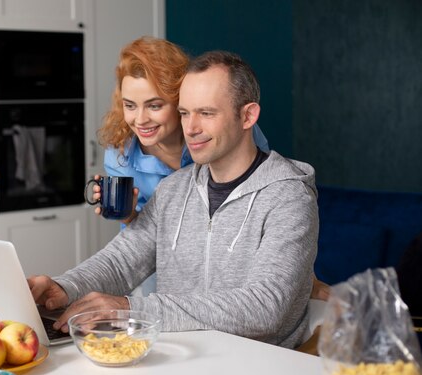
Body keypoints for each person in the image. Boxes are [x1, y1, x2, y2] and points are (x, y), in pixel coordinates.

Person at [30, 50, 319, 348]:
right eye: (184, 113)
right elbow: (121, 262)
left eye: (206, 113)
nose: (191, 128)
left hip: (260, 366)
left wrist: (130, 309)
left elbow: (265, 308)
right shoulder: (174, 189)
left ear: (247, 116)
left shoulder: (289, 196)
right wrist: (63, 288)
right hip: (181, 359)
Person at [94, 36, 270, 296]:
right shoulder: (121, 156)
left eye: (154, 105)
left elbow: (268, 200)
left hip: (226, 257)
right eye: (130, 106)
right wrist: (129, 215)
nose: (140, 120)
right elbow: (141, 241)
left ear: (180, 101)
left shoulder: (224, 136)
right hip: (159, 263)